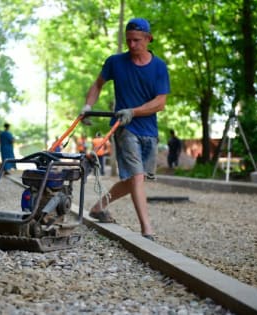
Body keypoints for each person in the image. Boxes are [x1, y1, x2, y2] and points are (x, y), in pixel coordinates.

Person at [81, 18, 170, 241]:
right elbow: (97, 84)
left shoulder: (159, 67)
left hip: (149, 130)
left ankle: (99, 206)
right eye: (128, 40)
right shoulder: (115, 62)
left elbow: (160, 102)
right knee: (137, 177)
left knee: (135, 179)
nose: (131, 45)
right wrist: (88, 106)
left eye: (137, 40)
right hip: (124, 127)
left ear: (149, 39)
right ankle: (147, 229)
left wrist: (135, 111)